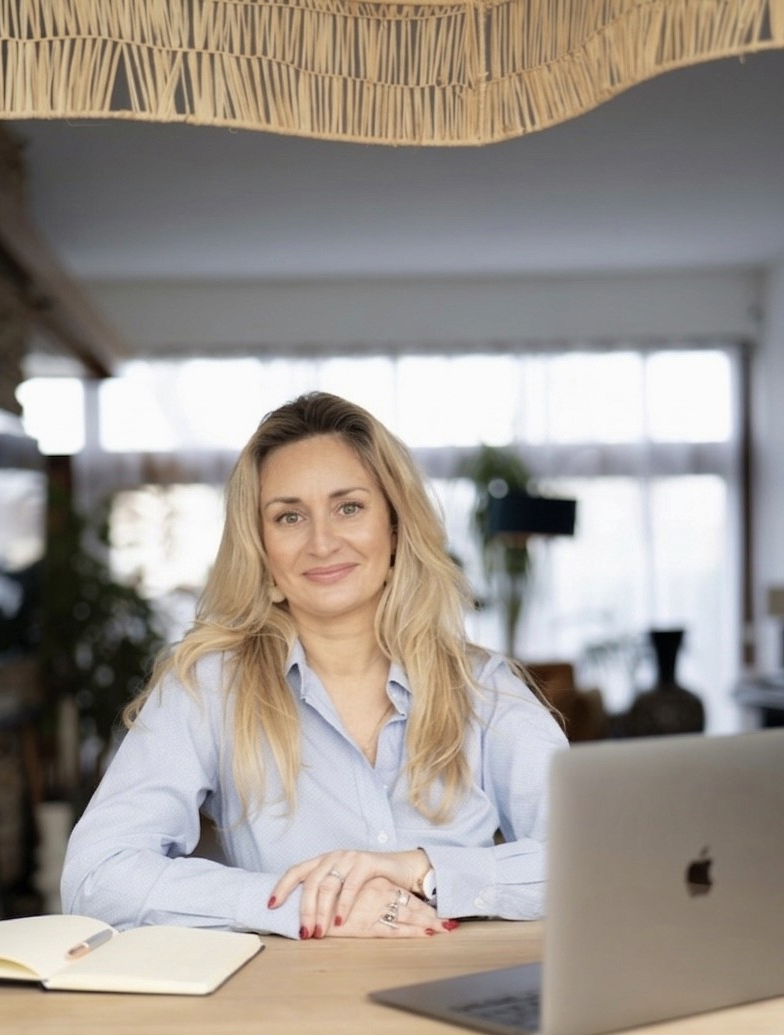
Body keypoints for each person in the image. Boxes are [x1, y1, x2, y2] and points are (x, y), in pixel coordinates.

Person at [61, 392, 567, 940]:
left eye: (349, 507)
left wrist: (423, 869)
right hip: (288, 1008)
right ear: (261, 550)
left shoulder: (484, 688)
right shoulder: (207, 688)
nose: (322, 542)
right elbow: (96, 877)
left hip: (463, 1001)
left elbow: (596, 857)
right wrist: (301, 903)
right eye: (289, 516)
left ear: (395, 531)